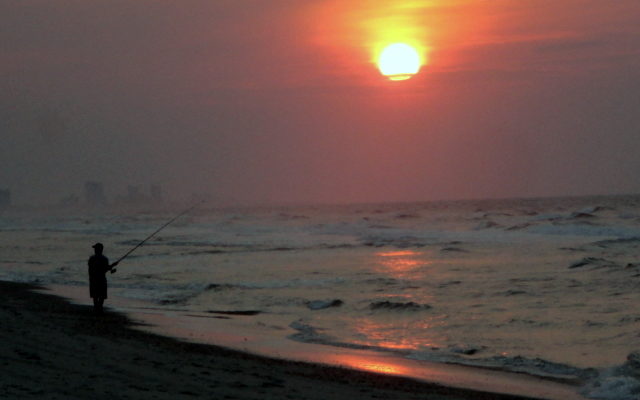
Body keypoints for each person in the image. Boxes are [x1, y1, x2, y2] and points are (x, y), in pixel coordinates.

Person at [88, 243, 118, 314]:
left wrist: (111, 267)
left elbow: (90, 269)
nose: (94, 250)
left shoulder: (92, 258)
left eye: (95, 248)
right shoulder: (104, 259)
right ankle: (100, 308)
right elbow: (105, 269)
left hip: (93, 279)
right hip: (101, 279)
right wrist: (112, 266)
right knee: (102, 295)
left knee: (95, 296)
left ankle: (96, 309)